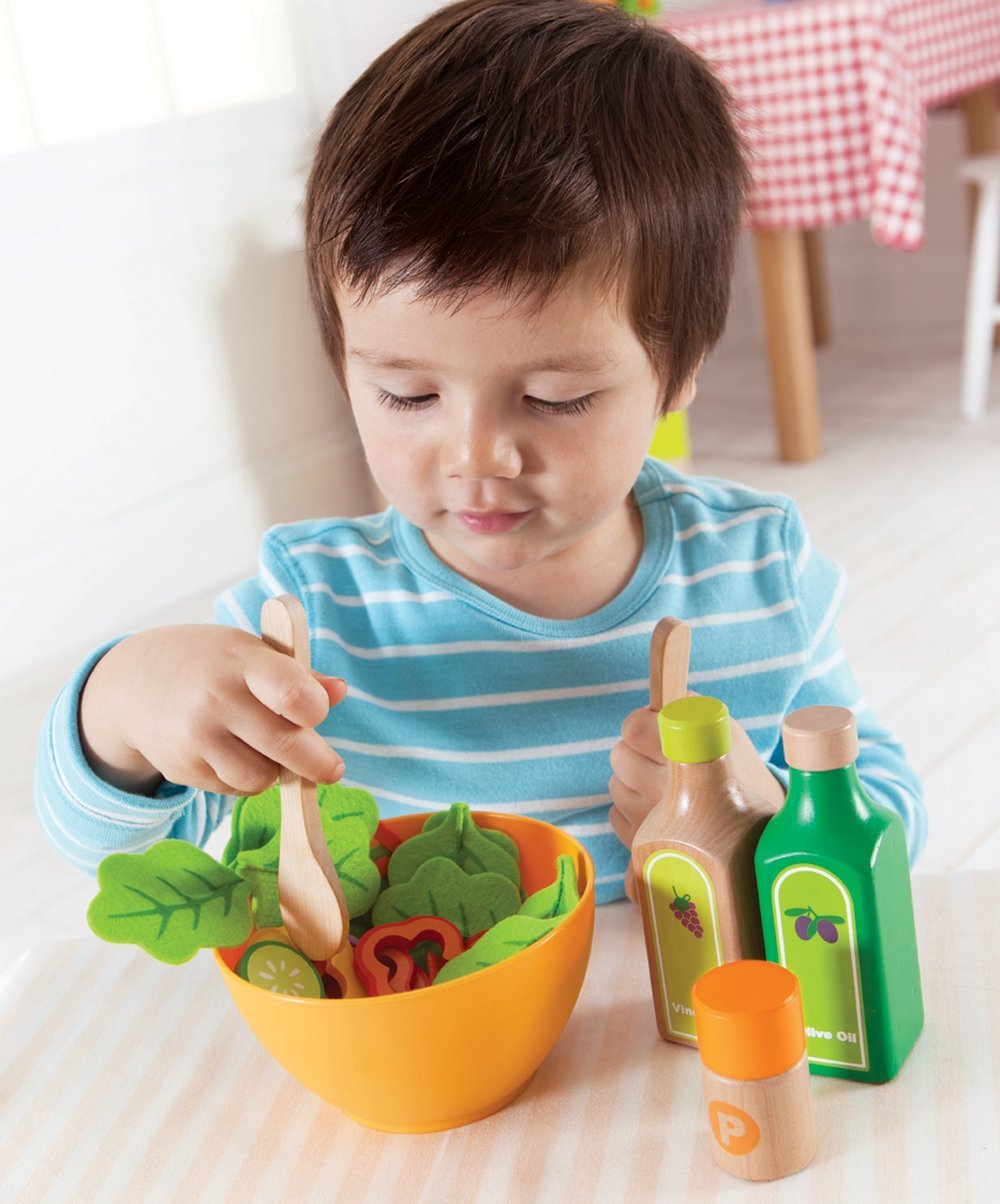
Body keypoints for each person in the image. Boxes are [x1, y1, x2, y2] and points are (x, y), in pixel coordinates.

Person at [35, 0, 925, 904]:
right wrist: (121, 706)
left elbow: (888, 819)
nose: (477, 456)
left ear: (681, 369)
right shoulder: (306, 615)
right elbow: (116, 857)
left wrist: (761, 822)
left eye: (555, 398)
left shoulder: (758, 569)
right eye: (408, 395)